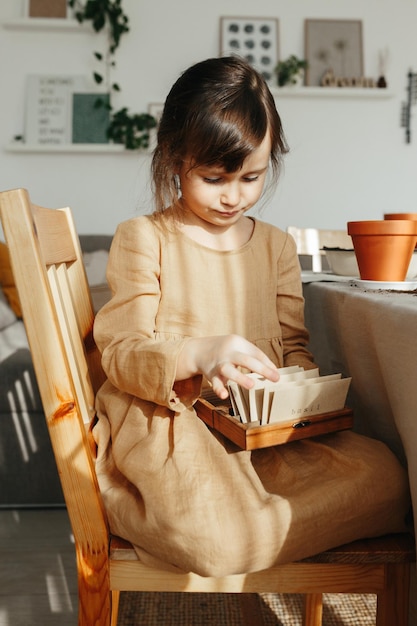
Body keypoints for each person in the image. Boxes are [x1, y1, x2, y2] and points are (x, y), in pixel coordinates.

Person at [93, 56, 410, 577]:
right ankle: (179, 520)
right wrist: (199, 353)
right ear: (175, 158)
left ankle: (263, 530)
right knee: (219, 538)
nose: (233, 196)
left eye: (251, 177)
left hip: (265, 434)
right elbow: (121, 354)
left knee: (390, 478)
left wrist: (304, 394)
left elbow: (294, 347)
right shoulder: (144, 238)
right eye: (214, 178)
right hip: (176, 432)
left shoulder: (277, 247)